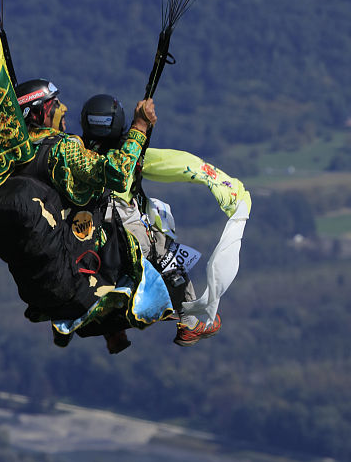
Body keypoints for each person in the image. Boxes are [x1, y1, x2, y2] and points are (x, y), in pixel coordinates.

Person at [0, 80, 172, 353]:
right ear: (38, 113)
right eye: (55, 104)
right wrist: (140, 127)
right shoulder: (62, 149)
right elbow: (118, 173)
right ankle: (179, 310)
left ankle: (110, 331)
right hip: (83, 266)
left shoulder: (4, 158)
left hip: (39, 286)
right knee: (135, 228)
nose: (63, 108)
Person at [80, 93, 251, 347]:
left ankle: (113, 331)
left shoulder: (76, 154)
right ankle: (191, 323)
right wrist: (219, 182)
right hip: (122, 226)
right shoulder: (127, 156)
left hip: (87, 235)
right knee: (168, 256)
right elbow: (174, 163)